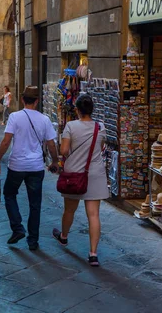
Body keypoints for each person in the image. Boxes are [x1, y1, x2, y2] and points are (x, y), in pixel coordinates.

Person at [0, 86, 59, 250]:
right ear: (37, 101)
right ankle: (33, 241)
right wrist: (55, 161)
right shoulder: (44, 119)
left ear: (23, 100)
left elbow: (6, 141)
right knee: (35, 204)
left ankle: (17, 228)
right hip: (36, 166)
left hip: (17, 165)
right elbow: (51, 144)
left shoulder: (15, 117)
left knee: (9, 194)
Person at [52, 94, 107, 267]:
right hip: (94, 173)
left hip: (74, 174)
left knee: (69, 210)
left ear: (77, 109)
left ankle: (64, 236)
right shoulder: (101, 127)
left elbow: (64, 150)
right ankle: (93, 254)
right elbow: (101, 147)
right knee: (94, 214)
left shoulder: (71, 126)